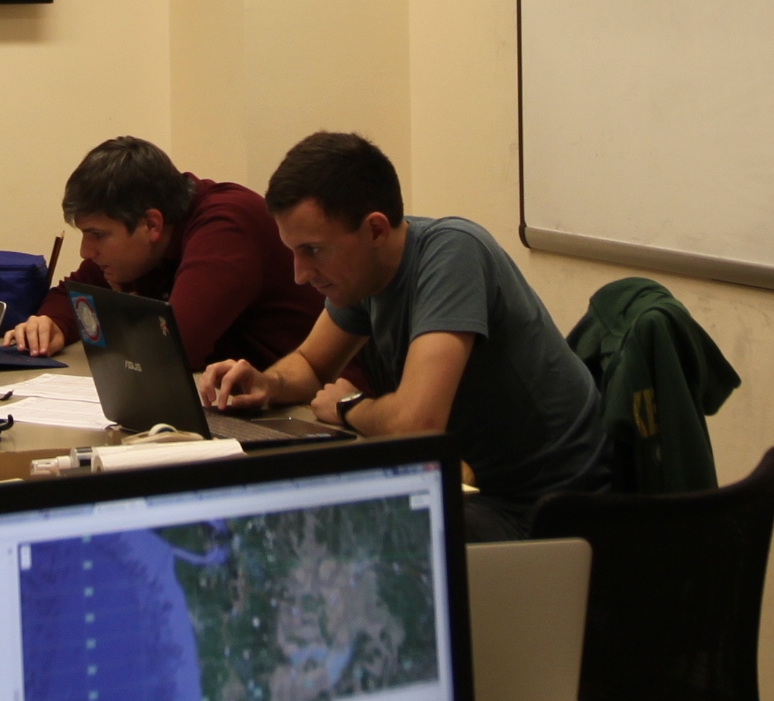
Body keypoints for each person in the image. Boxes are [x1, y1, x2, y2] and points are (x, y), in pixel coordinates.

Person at [199, 131, 609, 541]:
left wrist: (349, 407)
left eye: (313, 250)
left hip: (547, 510)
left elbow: (418, 424)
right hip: (479, 489)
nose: (300, 274)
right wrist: (266, 383)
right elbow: (311, 364)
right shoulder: (364, 271)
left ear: (376, 230)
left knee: (338, 535)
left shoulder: (453, 254)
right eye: (293, 251)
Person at [5, 136, 356, 378]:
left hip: (311, 407)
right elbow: (73, 295)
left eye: (97, 234)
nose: (87, 251)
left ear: (151, 224)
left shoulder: (225, 225)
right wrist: (52, 323)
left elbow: (171, 350)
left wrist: (118, 311)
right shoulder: (146, 237)